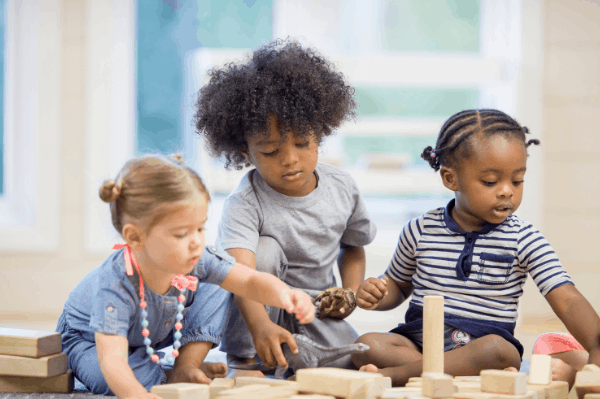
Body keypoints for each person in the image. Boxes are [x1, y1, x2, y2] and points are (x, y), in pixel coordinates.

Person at [351, 109, 600, 386]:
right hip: (419, 344)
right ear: (450, 179)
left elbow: (567, 298)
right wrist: (377, 293)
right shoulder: (419, 229)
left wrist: (597, 346)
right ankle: (446, 373)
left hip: (482, 348)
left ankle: (398, 376)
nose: (507, 190)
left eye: (517, 181)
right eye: (491, 182)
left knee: (498, 351)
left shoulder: (523, 237)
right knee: (366, 345)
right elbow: (398, 286)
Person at [56, 154, 315, 398]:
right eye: (181, 234)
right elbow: (111, 359)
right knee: (111, 378)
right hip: (89, 338)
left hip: (152, 329)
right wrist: (136, 394)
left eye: (200, 228)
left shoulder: (195, 256)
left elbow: (247, 280)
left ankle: (185, 367)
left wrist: (284, 294)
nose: (196, 242)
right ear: (135, 237)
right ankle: (166, 374)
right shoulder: (116, 283)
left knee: (221, 282)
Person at [193, 38, 377, 376]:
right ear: (245, 152)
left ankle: (288, 360)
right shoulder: (244, 203)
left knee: (360, 361)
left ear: (320, 133)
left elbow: (353, 247)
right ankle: (246, 358)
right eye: (270, 151)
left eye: (302, 143)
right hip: (259, 312)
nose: (290, 159)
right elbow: (241, 276)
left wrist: (348, 294)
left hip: (316, 311)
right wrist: (261, 326)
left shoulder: (343, 188)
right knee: (262, 251)